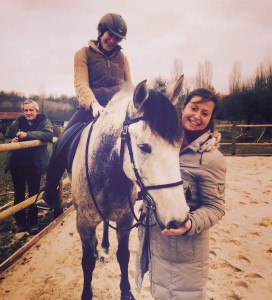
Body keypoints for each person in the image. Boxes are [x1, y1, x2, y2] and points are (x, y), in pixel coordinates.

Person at [136, 88, 227, 299]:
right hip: (156, 243)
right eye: (194, 108)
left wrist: (190, 224)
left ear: (211, 119)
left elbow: (216, 208)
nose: (197, 116)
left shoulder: (212, 159)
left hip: (185, 250)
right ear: (183, 108)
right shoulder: (165, 143)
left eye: (205, 113)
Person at [37, 12, 131, 210]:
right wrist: (94, 104)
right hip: (91, 110)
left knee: (139, 140)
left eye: (117, 38)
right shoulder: (83, 54)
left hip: (116, 112)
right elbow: (81, 84)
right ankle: (49, 193)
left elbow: (128, 86)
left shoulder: (123, 59)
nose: (113, 40)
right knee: (61, 143)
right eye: (110, 35)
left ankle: (138, 187)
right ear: (101, 31)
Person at [4, 99, 53, 234]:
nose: (28, 112)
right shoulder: (17, 123)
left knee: (34, 194)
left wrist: (28, 135)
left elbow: (49, 135)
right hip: (17, 166)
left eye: (31, 110)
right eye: (26, 110)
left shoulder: (43, 122)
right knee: (18, 194)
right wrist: (11, 141)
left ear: (37, 111)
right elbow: (6, 138)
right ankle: (20, 223)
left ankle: (33, 223)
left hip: (34, 166)